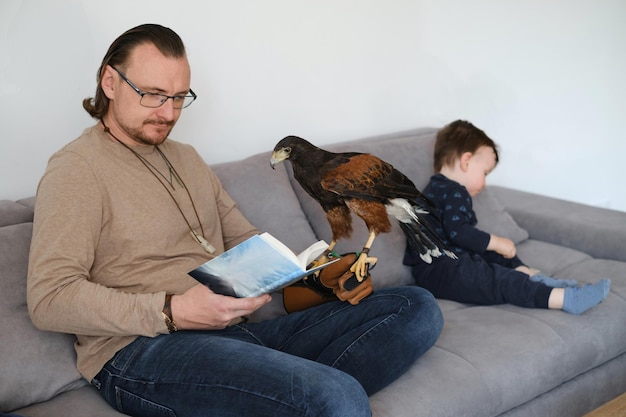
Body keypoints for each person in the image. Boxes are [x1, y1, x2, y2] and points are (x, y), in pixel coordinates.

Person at [26, 24, 443, 417]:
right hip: (141, 350)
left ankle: (294, 397)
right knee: (334, 394)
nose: (168, 113)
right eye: (153, 94)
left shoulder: (186, 158)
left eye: (179, 97)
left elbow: (246, 240)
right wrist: (172, 311)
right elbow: (49, 299)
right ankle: (315, 396)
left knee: (416, 306)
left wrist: (317, 279)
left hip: (237, 336)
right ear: (110, 82)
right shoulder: (76, 169)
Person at [403, 119, 610, 314]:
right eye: (484, 173)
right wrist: (496, 242)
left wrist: (494, 247)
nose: (484, 184)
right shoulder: (455, 191)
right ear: (466, 161)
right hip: (442, 271)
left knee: (497, 256)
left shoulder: (435, 190)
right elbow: (459, 233)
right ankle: (565, 299)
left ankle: (532, 277)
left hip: (443, 268)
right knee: (501, 279)